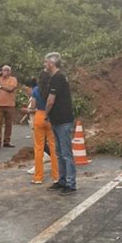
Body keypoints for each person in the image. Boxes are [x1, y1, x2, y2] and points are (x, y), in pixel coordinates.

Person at [44, 52, 76, 196]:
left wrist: (45, 113)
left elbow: (51, 100)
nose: (44, 65)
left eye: (46, 62)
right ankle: (62, 181)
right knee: (59, 153)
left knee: (66, 154)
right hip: (57, 120)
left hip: (62, 120)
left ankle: (70, 183)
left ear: (51, 63)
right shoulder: (56, 78)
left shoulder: (58, 78)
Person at [26, 72, 59, 185]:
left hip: (39, 117)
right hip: (51, 117)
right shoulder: (52, 89)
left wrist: (28, 110)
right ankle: (56, 176)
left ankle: (38, 177)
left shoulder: (36, 90)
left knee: (38, 147)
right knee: (53, 146)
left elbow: (33, 107)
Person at [20, 77, 52, 175]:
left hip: (38, 123)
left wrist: (26, 110)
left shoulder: (36, 93)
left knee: (39, 146)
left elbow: (36, 108)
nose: (26, 91)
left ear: (30, 87)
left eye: (26, 89)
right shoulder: (39, 92)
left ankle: (38, 168)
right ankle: (53, 157)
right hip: (38, 122)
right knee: (42, 145)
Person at [0, 65, 18, 149]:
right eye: (3, 70)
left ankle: (7, 141)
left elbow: (11, 89)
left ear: (10, 72)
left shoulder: (13, 79)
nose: (4, 72)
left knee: (8, 124)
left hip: (9, 105)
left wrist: (1, 87)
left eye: (6, 70)